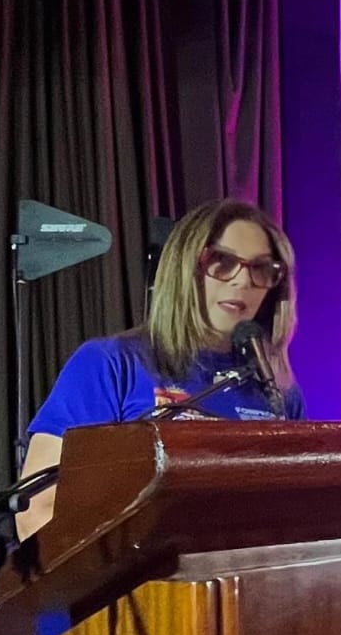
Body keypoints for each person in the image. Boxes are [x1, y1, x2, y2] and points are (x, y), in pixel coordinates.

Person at [16, 198, 304, 539]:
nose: (242, 281)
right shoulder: (110, 364)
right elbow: (38, 510)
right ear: (184, 267)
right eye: (222, 261)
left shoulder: (278, 391)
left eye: (261, 268)